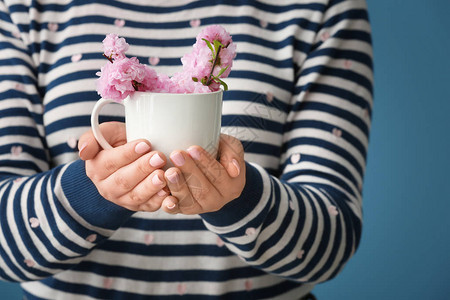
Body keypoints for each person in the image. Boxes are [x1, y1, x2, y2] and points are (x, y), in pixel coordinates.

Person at [0, 0, 373, 299]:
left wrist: (239, 197)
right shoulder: (24, 7)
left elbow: (332, 241)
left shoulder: (319, 7)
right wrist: (94, 190)